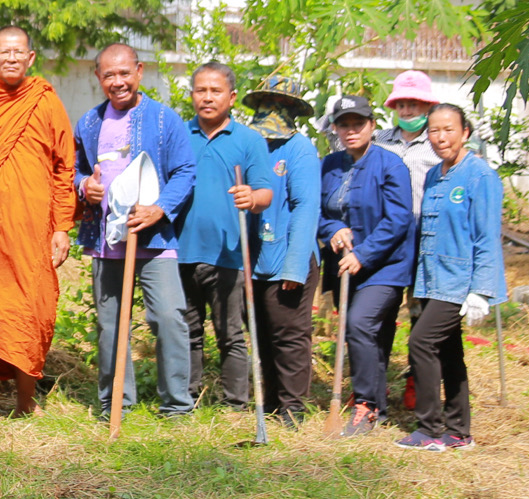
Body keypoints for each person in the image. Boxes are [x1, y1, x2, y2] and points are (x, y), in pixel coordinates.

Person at [0, 27, 76, 419]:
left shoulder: (45, 101)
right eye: (3, 52)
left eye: (18, 52)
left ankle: (26, 399)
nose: (11, 58)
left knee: (30, 308)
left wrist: (61, 226)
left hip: (32, 229)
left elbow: (64, 168)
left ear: (31, 58)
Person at [74, 44, 196, 419]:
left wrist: (160, 208)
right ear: (99, 78)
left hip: (154, 240)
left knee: (169, 318)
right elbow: (77, 170)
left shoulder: (164, 119)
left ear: (139, 71)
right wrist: (84, 186)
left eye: (124, 73)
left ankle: (176, 406)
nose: (117, 81)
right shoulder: (88, 123)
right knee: (110, 325)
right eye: (109, 75)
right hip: (106, 242)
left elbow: (185, 171)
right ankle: (116, 404)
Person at [398, 102, 507, 452]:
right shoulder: (434, 174)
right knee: (448, 351)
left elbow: (487, 236)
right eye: (434, 130)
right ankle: (459, 431)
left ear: (465, 133)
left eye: (448, 130)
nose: (440, 137)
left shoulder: (480, 176)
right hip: (432, 277)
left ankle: (430, 429)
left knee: (420, 343)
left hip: (459, 281)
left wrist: (481, 291)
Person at [174, 61, 274, 410]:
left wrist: (252, 197)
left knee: (230, 332)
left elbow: (266, 193)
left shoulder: (249, 140)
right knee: (187, 330)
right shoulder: (178, 134)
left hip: (228, 254)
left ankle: (235, 404)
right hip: (181, 250)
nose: (207, 97)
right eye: (200, 90)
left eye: (215, 91)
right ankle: (186, 398)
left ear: (231, 97)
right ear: (191, 95)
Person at [316, 95, 416, 437]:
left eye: (358, 123)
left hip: (385, 265)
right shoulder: (328, 165)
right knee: (373, 333)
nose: (351, 130)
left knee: (360, 324)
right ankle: (377, 401)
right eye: (343, 124)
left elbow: (399, 218)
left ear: (372, 126)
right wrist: (333, 230)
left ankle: (367, 405)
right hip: (344, 265)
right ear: (335, 128)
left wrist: (364, 253)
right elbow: (318, 211)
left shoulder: (391, 165)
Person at [242, 76, 322, 421]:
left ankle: (292, 407)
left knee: (288, 334)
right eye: (266, 103)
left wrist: (295, 266)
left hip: (288, 258)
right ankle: (270, 400)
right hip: (254, 257)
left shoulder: (299, 148)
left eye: (280, 104)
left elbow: (306, 207)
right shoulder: (249, 144)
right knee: (261, 332)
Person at [375, 69, 440, 212]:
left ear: (428, 105)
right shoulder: (379, 140)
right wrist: (331, 120)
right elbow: (345, 146)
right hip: (386, 223)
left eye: (413, 105)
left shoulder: (437, 143)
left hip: (424, 222)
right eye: (401, 106)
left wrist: (476, 141)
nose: (406, 112)